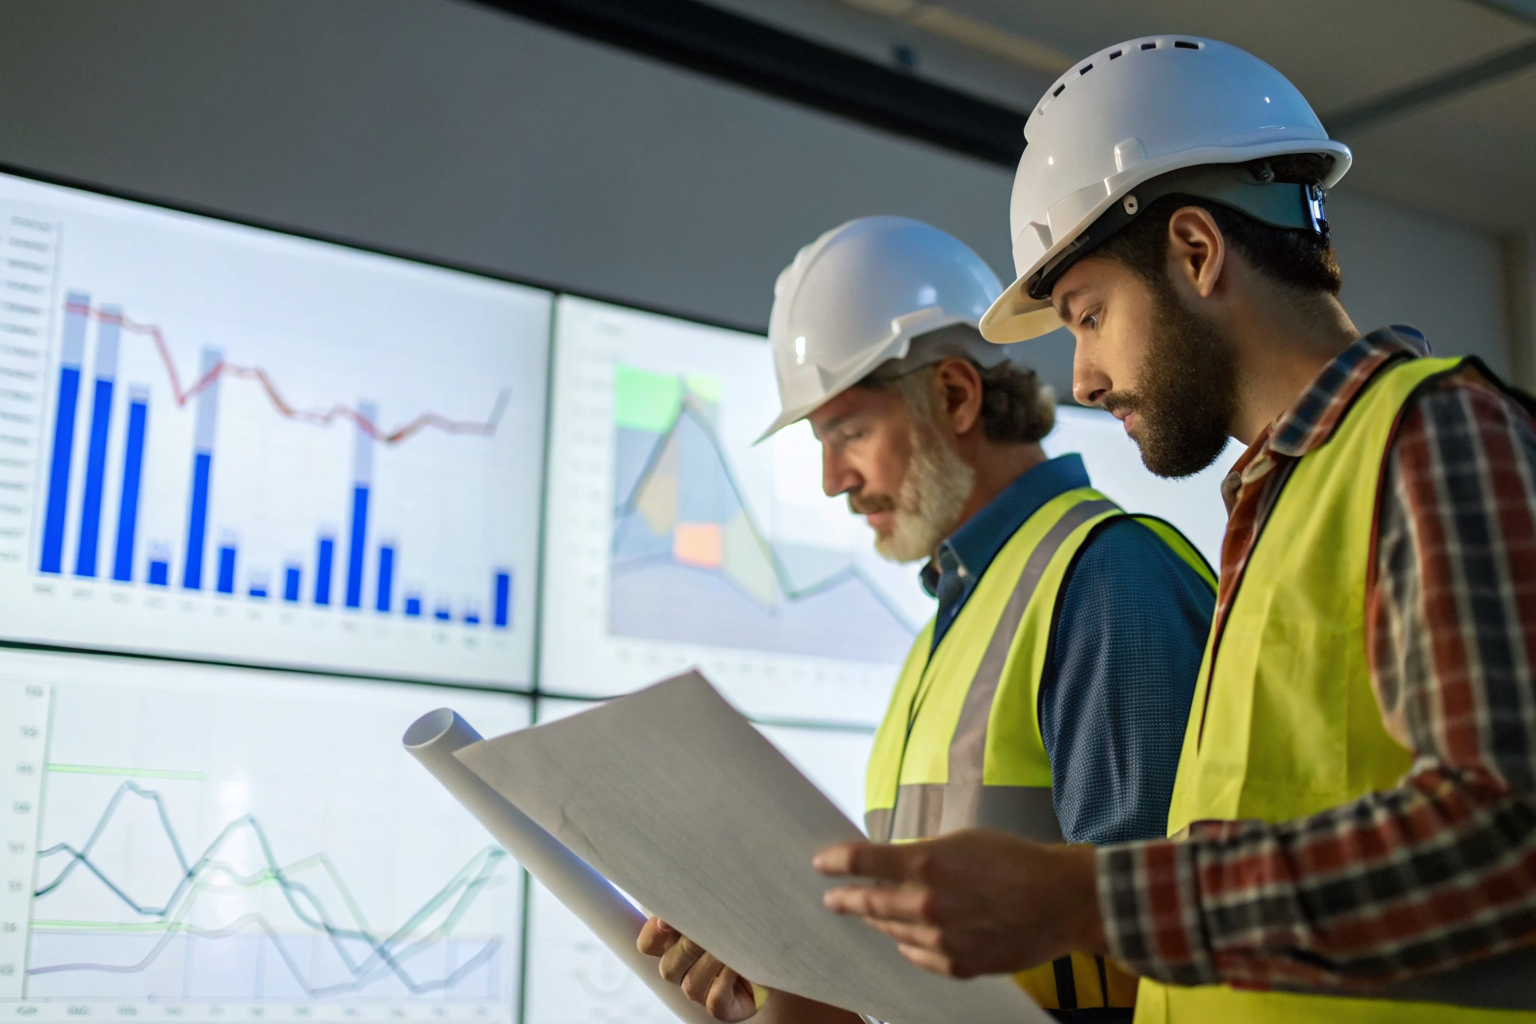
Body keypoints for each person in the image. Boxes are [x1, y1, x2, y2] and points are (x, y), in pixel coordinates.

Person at [812, 35, 1536, 1024]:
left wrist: (1084, 896)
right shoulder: (1275, 506)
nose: (1082, 379)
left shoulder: (1432, 431)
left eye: (1089, 315)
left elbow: (1511, 832)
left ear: (1195, 252)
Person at [637, 216, 1216, 1022]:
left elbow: (1173, 942)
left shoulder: (1108, 576)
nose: (835, 478)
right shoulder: (949, 628)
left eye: (849, 431)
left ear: (955, 394)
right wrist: (786, 963)